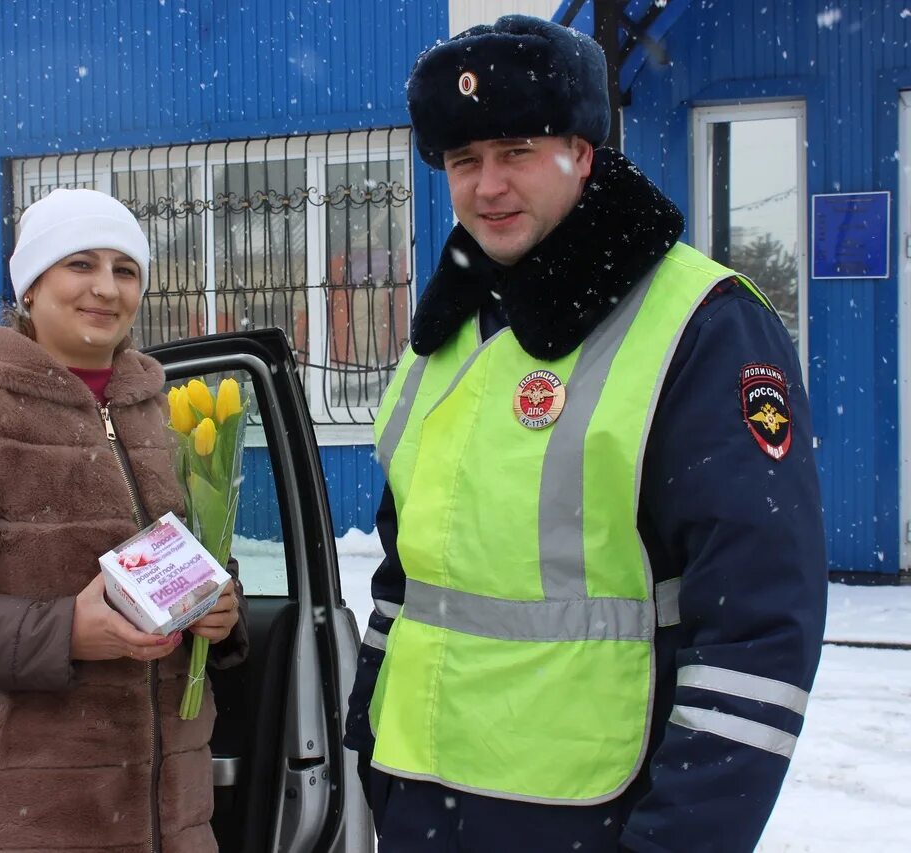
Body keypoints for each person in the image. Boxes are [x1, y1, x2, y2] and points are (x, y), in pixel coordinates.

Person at [344, 15, 827, 853]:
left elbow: (758, 627)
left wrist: (682, 838)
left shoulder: (700, 326)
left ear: (584, 152)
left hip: (588, 816)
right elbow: (409, 581)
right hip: (421, 804)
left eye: (517, 151)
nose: (488, 186)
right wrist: (368, 758)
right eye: (464, 161)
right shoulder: (447, 336)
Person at [0, 188, 247, 853]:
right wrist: (64, 631)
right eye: (80, 264)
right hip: (31, 819)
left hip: (169, 818)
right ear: (30, 286)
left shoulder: (158, 416)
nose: (106, 287)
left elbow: (184, 558)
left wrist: (219, 606)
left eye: (125, 270)